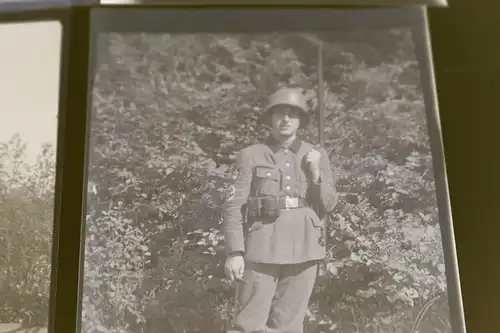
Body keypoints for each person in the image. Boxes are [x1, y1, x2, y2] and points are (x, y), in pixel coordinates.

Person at [222, 86, 338, 333]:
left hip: (304, 248)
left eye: (292, 114)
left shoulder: (315, 155)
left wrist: (315, 172)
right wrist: (235, 251)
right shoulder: (251, 155)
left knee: (289, 326)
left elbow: (328, 204)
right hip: (262, 246)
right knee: (248, 325)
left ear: (300, 120)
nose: (285, 119)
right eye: (279, 113)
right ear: (270, 119)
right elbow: (233, 205)